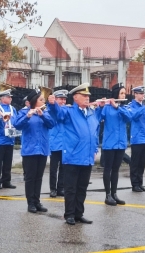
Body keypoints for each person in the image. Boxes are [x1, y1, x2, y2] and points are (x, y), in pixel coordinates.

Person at [48, 83, 102, 225]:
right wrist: (52, 104)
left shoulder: (91, 112)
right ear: (76, 97)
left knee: (82, 188)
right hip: (73, 156)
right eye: (84, 96)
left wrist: (95, 148)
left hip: (87, 156)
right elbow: (57, 114)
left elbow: (94, 133)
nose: (87, 98)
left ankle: (79, 213)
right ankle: (69, 214)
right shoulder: (69, 111)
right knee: (71, 188)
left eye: (88, 96)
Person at [14, 89, 54, 213]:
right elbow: (17, 125)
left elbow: (52, 124)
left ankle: (37, 201)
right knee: (30, 178)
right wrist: (27, 116)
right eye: (41, 99)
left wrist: (42, 115)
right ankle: (30, 203)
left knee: (39, 177)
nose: (43, 101)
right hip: (30, 150)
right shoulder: (24, 112)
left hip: (42, 149)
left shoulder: (45, 112)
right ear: (34, 101)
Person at [101, 83, 132, 206]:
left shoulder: (124, 108)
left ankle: (114, 194)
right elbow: (98, 118)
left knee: (116, 170)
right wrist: (101, 106)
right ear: (116, 94)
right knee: (108, 169)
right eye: (122, 93)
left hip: (120, 143)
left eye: (124, 93)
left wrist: (118, 107)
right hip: (109, 143)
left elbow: (129, 118)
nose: (124, 95)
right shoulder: (107, 108)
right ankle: (107, 195)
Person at [0, 89, 18, 189]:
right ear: (3, 98)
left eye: (10, 97)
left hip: (10, 139)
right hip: (0, 139)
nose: (11, 98)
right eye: (8, 97)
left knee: (8, 162)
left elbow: (15, 121)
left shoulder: (13, 109)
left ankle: (6, 181)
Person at [48, 89, 68, 198]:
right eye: (61, 99)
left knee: (63, 169)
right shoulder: (52, 108)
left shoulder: (65, 109)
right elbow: (54, 111)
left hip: (64, 143)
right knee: (53, 168)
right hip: (55, 143)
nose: (63, 101)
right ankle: (52, 189)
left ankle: (60, 188)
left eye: (64, 99)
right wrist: (52, 103)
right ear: (55, 99)